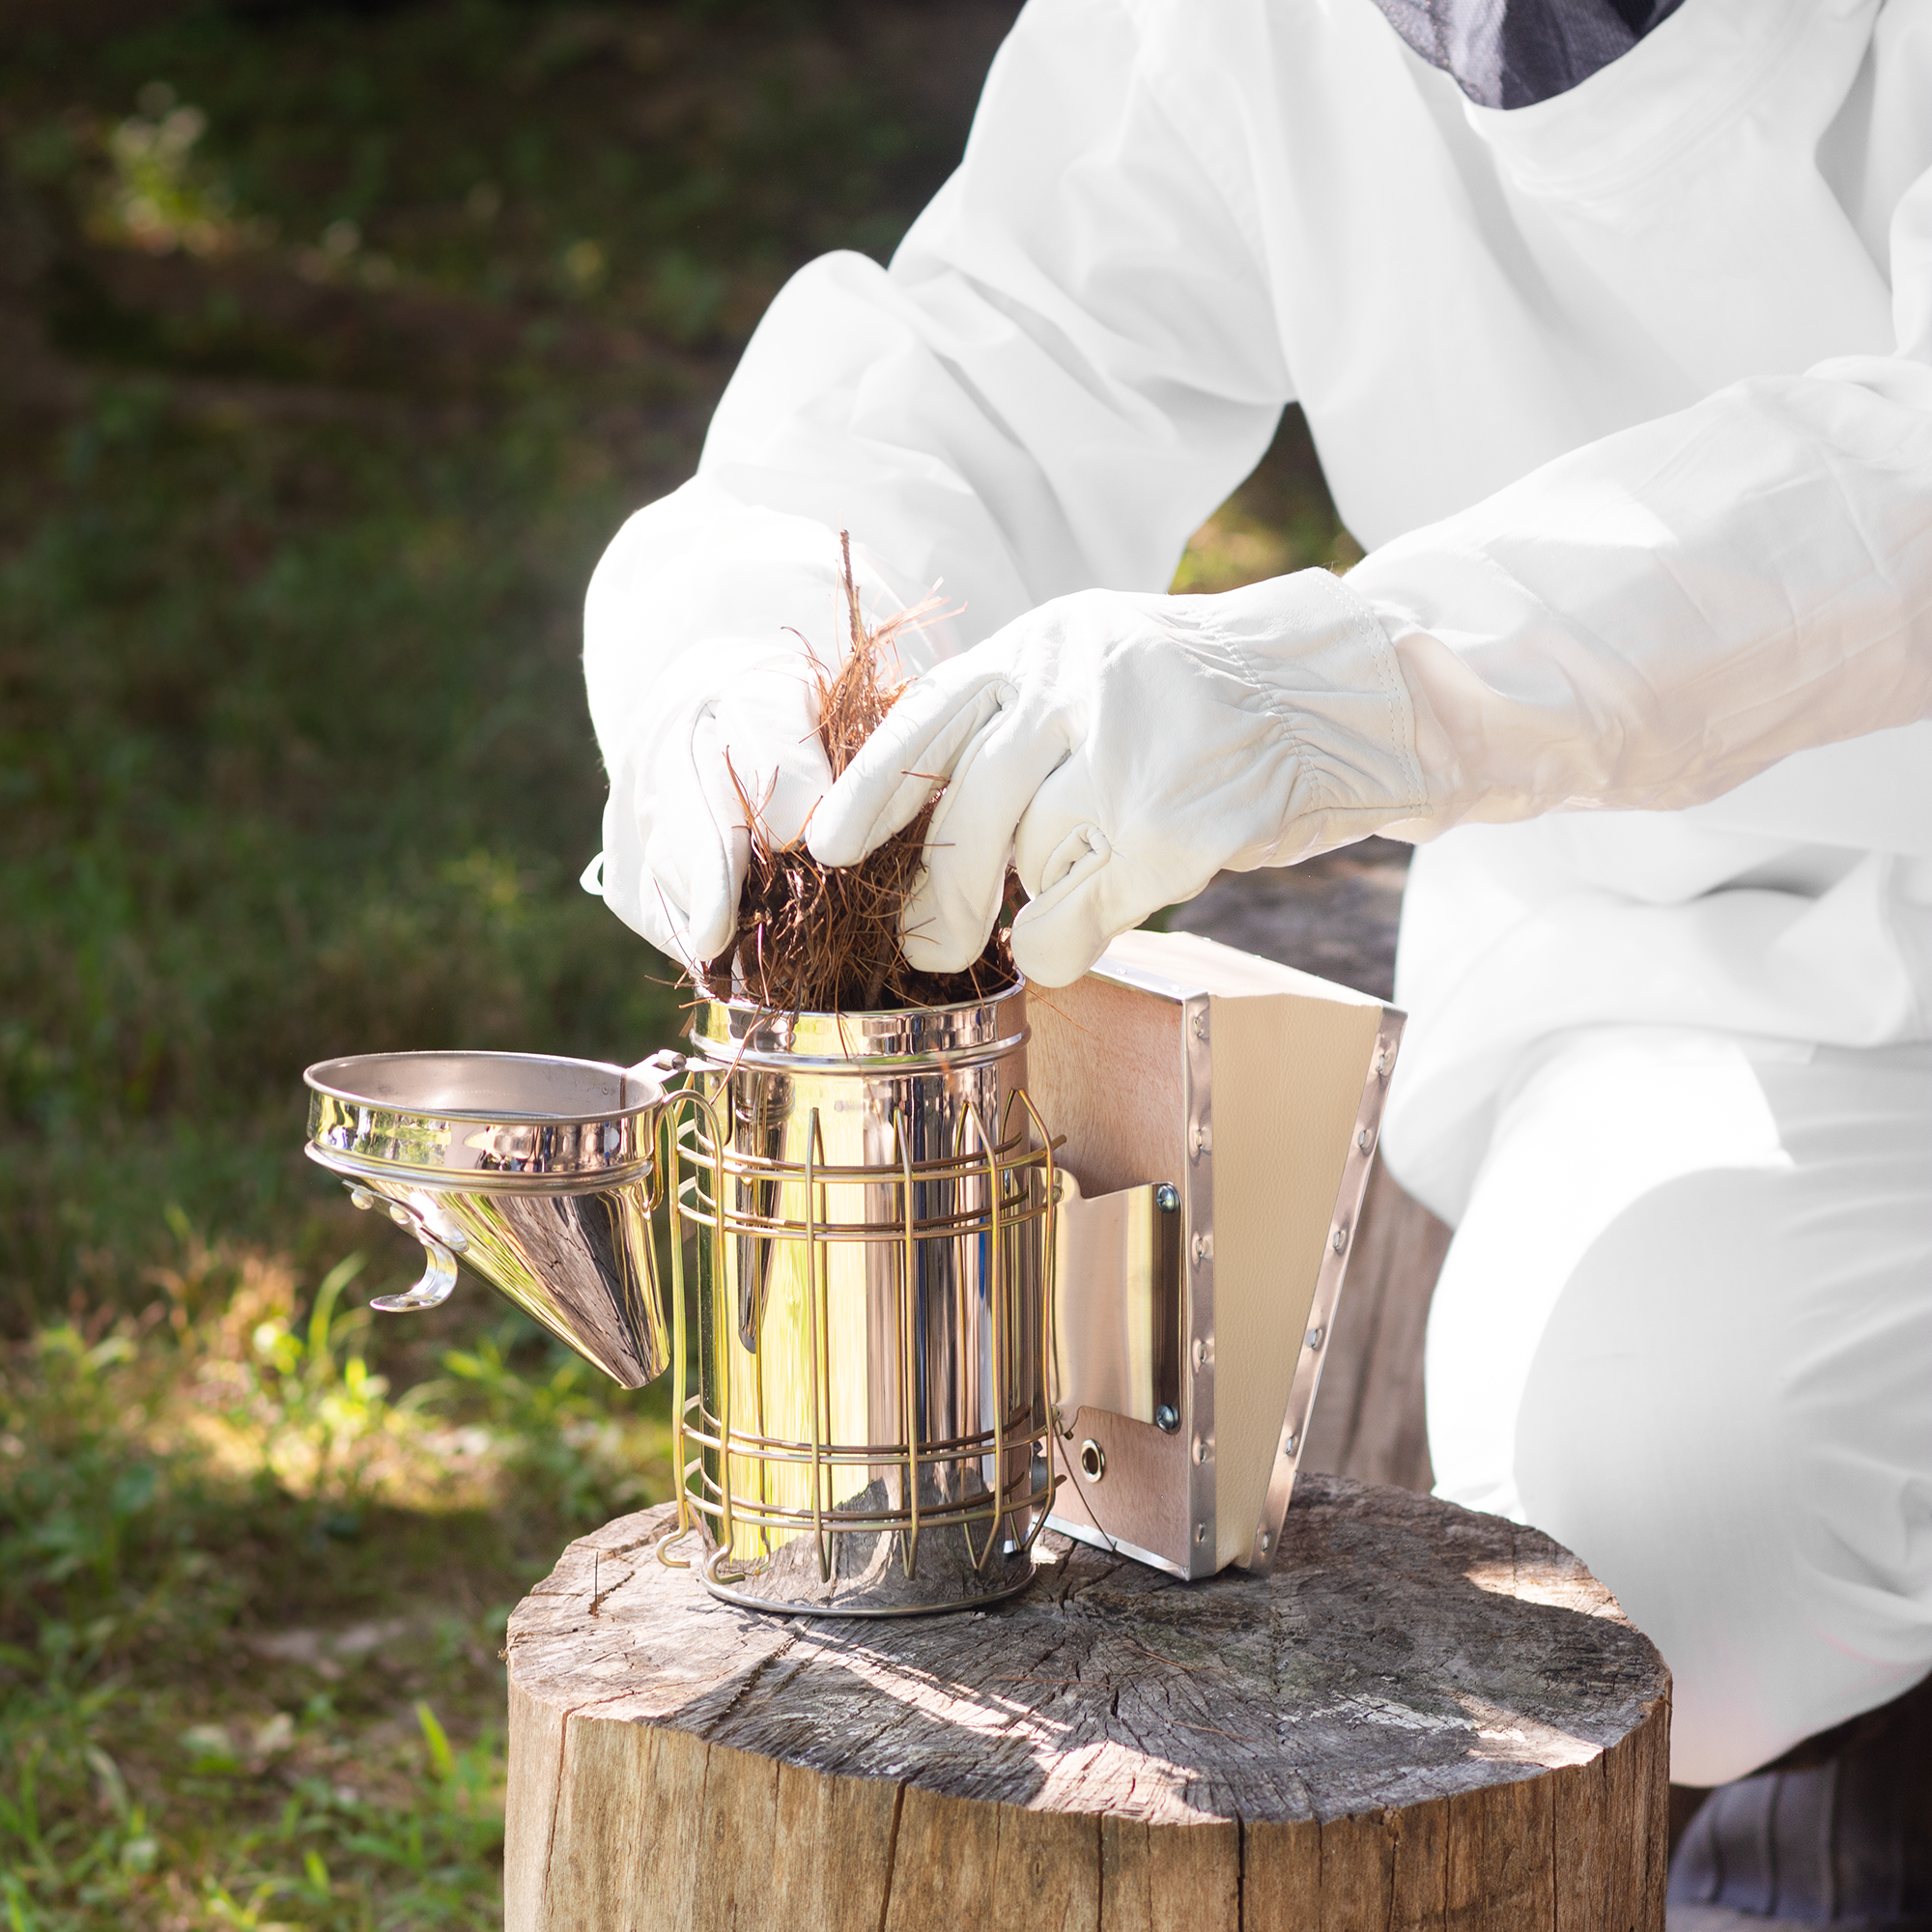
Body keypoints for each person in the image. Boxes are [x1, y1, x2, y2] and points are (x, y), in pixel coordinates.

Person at [583, 0, 1932, 1911]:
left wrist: (1356, 684)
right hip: (1681, 935)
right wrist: (742, 654)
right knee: (1679, 1518)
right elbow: (989, 357)